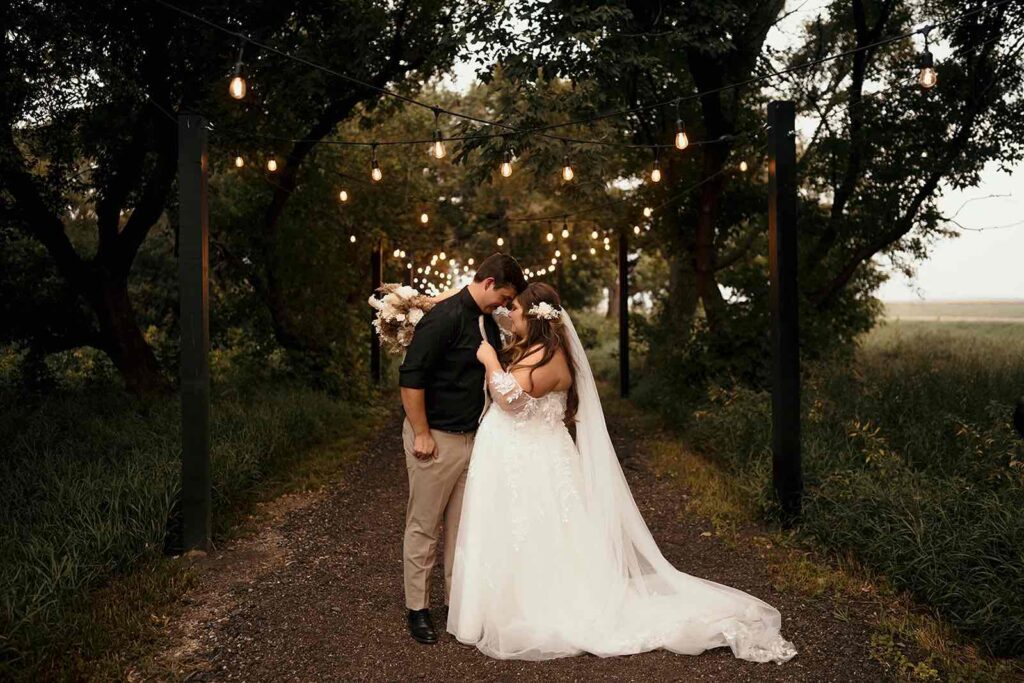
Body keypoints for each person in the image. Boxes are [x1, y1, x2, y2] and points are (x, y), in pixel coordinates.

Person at [446, 282, 798, 663]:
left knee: (538, 529)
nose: (508, 314)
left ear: (536, 317)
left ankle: (536, 604)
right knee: (519, 528)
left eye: (515, 309)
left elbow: (510, 400)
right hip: (521, 455)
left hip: (534, 459)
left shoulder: (551, 359)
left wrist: (491, 362)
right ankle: (503, 603)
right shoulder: (535, 348)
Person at [397, 252, 526, 644]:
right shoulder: (445, 317)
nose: (504, 305)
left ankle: (458, 604)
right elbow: (411, 377)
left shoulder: (485, 319)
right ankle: (417, 609)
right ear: (488, 283)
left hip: (475, 441)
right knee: (424, 526)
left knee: (461, 530)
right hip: (435, 438)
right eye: (503, 296)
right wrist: (421, 431)